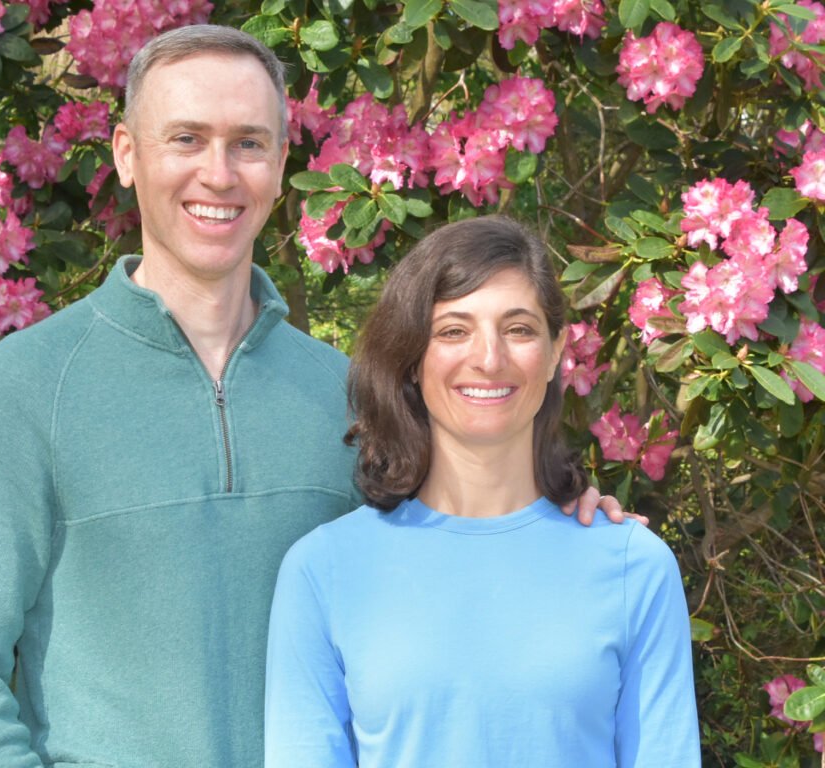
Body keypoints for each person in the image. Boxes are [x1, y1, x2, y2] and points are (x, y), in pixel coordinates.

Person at [0, 26, 629, 768]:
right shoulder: (27, 387)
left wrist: (573, 517)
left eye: (248, 143)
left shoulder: (347, 393)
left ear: (283, 164)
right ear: (127, 155)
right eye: (186, 139)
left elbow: (463, 551)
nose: (219, 174)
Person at [264, 216, 700, 768]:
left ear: (554, 350)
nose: (489, 358)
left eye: (518, 329)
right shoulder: (321, 571)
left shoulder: (634, 567)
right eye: (453, 330)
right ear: (412, 358)